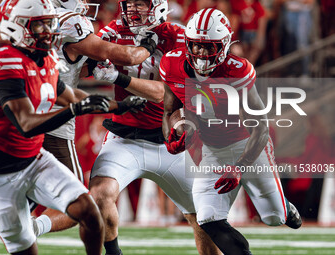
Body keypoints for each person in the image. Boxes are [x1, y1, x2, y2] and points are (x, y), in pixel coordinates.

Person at [0, 0, 146, 254]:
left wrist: (119, 106)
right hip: (3, 172)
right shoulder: (5, 63)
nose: (48, 31)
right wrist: (74, 111)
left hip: (34, 159)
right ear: (16, 28)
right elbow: (26, 124)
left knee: (88, 210)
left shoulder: (43, 59)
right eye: (40, 25)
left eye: (48, 23)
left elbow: (72, 96)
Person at [161, 8, 302, 255]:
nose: (202, 54)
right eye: (196, 46)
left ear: (225, 45)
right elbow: (169, 111)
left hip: (246, 145)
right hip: (209, 151)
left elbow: (260, 126)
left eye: (209, 47)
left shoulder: (237, 70)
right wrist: (172, 134)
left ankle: (285, 207)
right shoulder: (172, 64)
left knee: (273, 217)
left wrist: (239, 166)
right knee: (207, 217)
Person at [88, 0, 220, 254]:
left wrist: (117, 76)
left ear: (158, 6)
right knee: (100, 195)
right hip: (124, 139)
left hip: (169, 143)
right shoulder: (113, 32)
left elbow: (163, 93)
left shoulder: (178, 36)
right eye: (129, 3)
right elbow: (83, 63)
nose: (132, 10)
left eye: (140, 4)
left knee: (206, 217)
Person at [31, 0, 155, 236]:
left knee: (24, 184)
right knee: (80, 204)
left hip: (24, 112)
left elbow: (68, 69)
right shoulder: (72, 22)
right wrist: (148, 47)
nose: (86, 3)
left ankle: (17, 224)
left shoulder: (39, 18)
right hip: (54, 118)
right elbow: (127, 56)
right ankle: (31, 228)